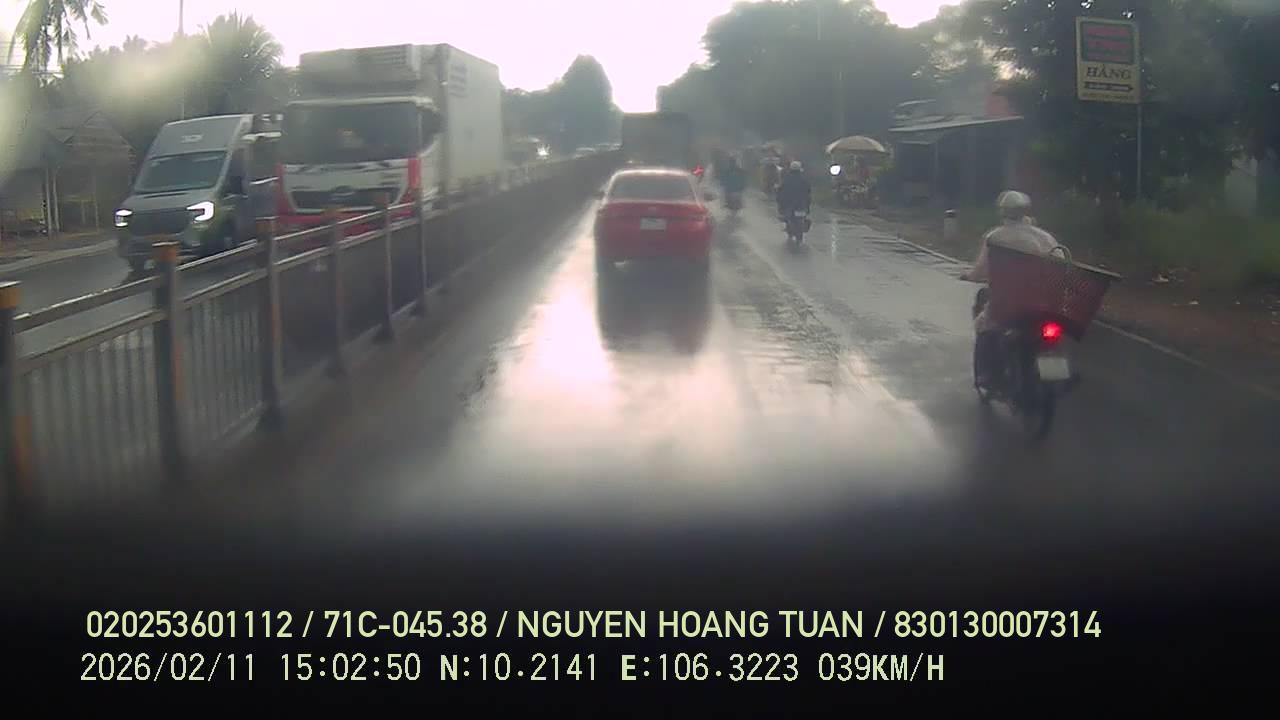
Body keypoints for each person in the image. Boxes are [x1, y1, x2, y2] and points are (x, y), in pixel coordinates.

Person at [961, 190, 1066, 384]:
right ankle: (1055, 376)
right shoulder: (1045, 238)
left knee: (984, 326)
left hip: (1006, 304)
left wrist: (969, 276)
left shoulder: (995, 237)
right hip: (1041, 304)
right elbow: (1061, 265)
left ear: (1002, 211)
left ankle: (987, 373)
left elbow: (981, 270)